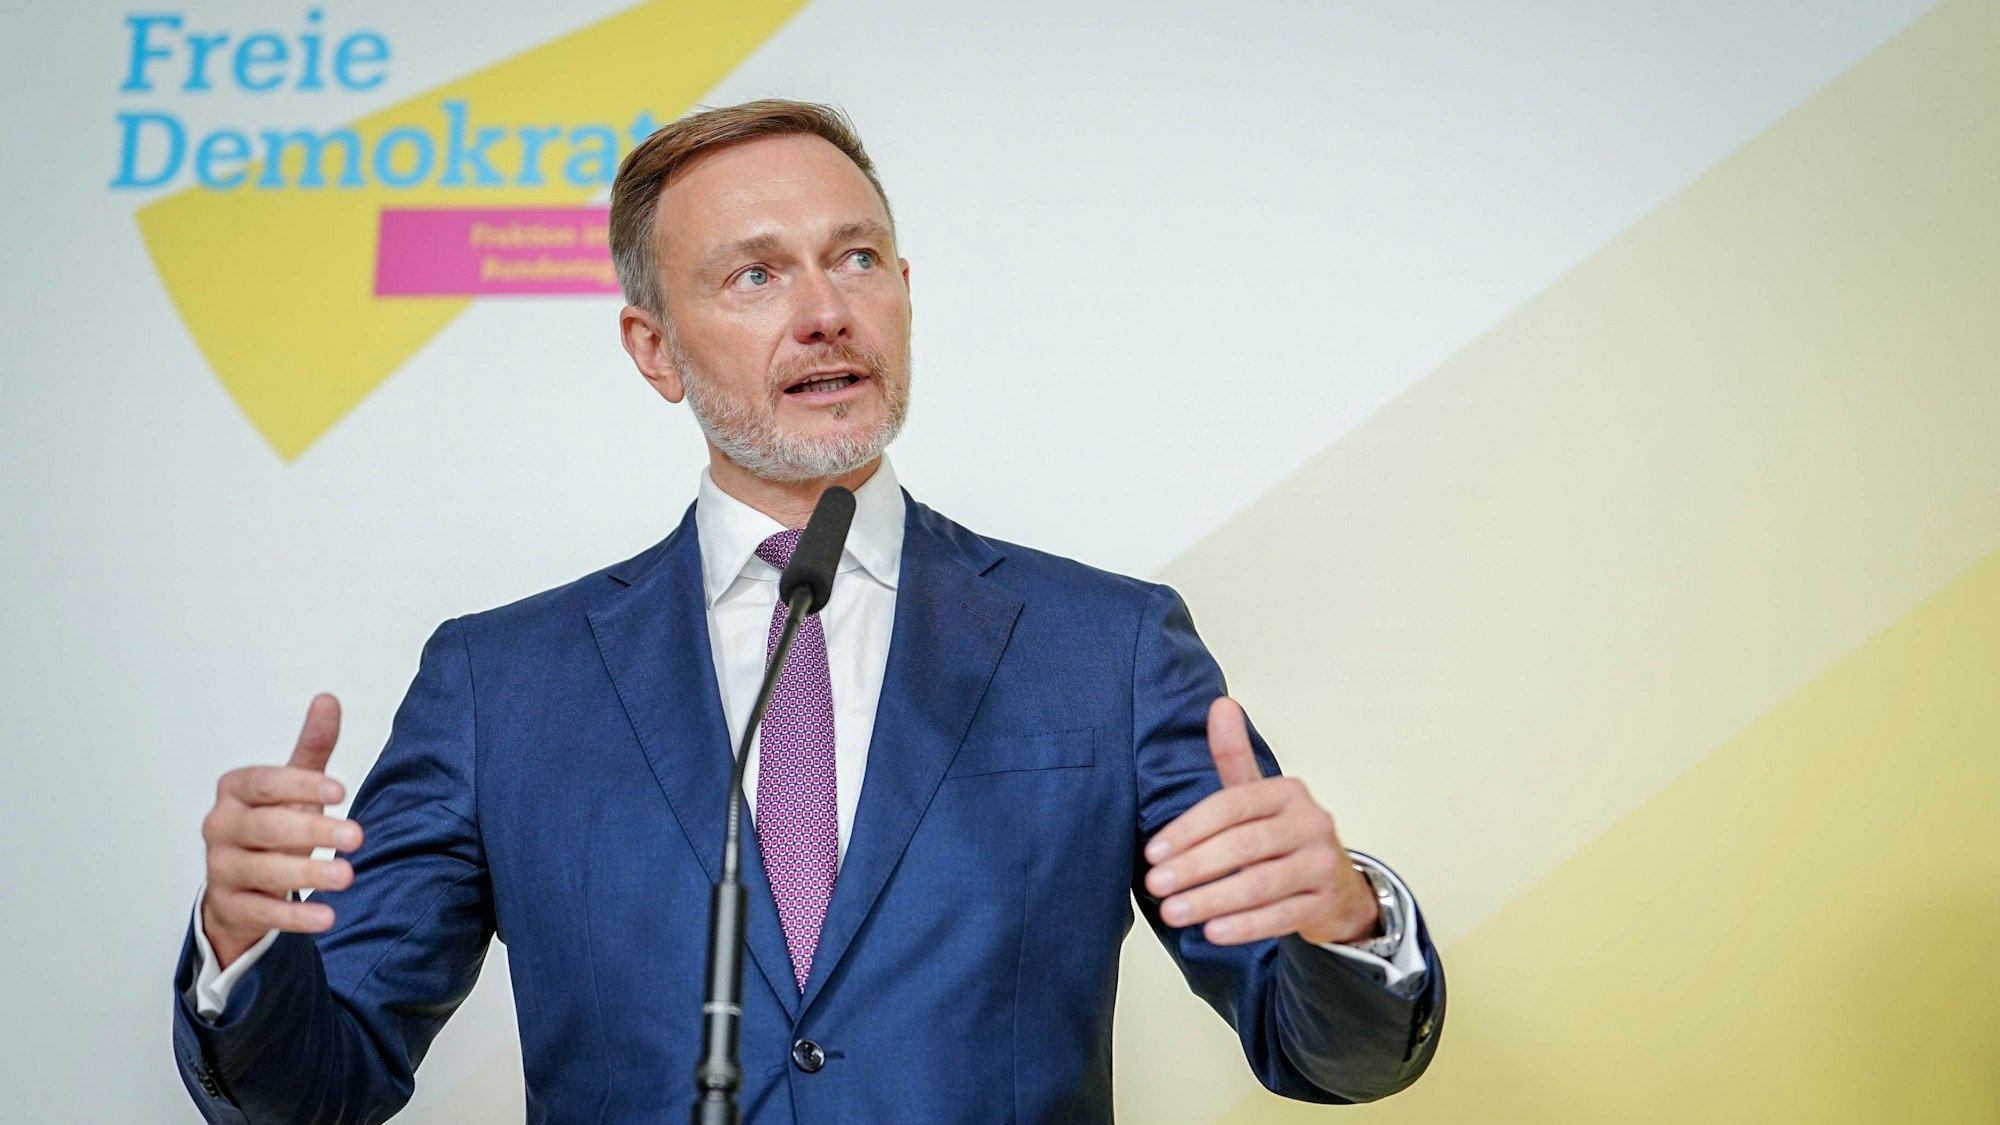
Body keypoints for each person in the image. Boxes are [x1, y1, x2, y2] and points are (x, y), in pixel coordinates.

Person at [174, 100, 1444, 1123]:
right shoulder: (498, 684)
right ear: (654, 349)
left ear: (902, 288)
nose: (825, 309)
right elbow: (311, 1093)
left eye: (855, 257)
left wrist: (1344, 924)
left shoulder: (1102, 650)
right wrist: (243, 946)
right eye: (753, 274)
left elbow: (1328, 1057)